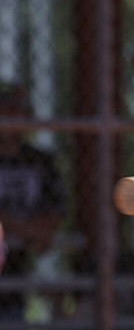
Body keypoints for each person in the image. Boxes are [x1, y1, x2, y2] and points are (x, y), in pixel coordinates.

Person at [0, 83, 65, 320]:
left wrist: (16, 228)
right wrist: (23, 229)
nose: (13, 119)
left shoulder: (41, 161)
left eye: (18, 112)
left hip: (25, 260)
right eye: (7, 112)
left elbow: (54, 216)